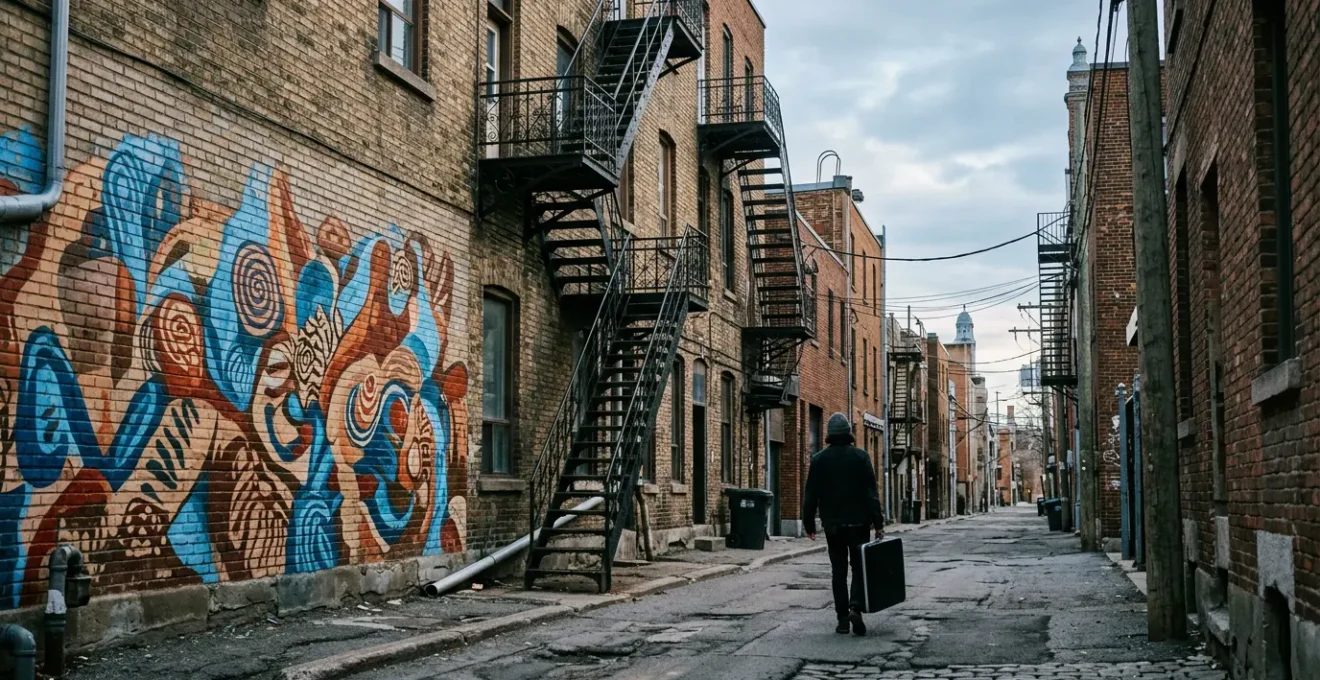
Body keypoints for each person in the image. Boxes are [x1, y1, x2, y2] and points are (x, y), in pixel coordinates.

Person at [803, 413, 885, 636]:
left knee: (838, 572)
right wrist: (878, 523)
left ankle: (842, 620)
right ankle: (855, 607)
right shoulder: (861, 457)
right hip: (859, 524)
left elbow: (811, 494)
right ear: (849, 433)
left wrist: (808, 523)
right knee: (859, 568)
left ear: (829, 435)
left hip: (833, 525)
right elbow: (871, 494)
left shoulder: (819, 459)